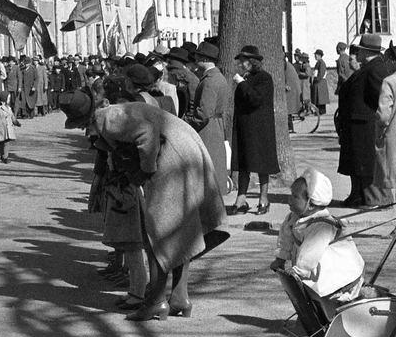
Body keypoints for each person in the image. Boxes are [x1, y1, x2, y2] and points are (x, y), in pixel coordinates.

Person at [91, 97, 228, 321]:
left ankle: (155, 302)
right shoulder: (117, 111)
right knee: (182, 230)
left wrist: (145, 171)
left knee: (157, 233)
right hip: (186, 150)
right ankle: (179, 297)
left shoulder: (106, 118)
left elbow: (146, 133)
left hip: (174, 158)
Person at [271, 169, 364, 305]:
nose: (289, 199)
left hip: (343, 276)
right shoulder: (294, 217)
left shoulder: (321, 226)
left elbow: (310, 253)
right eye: (291, 194)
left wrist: (297, 272)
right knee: (314, 296)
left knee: (331, 302)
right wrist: (280, 259)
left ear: (311, 204)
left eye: (295, 196)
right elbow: (285, 238)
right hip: (316, 270)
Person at [337, 33, 395, 206]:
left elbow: (382, 98)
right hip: (358, 125)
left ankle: (376, 199)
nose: (357, 53)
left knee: (367, 164)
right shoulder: (368, 68)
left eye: (360, 50)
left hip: (366, 125)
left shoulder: (375, 69)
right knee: (358, 164)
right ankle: (359, 196)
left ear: (367, 52)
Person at [229, 45, 279, 215]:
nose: (241, 64)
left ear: (252, 62)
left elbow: (256, 99)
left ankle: (263, 199)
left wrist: (241, 84)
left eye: (243, 61)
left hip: (260, 128)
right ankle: (241, 199)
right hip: (245, 127)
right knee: (244, 164)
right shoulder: (246, 77)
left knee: (262, 165)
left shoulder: (264, 78)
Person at [186, 41, 230, 192]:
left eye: (198, 57)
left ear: (205, 59)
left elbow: (203, 113)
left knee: (207, 164)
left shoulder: (210, 81)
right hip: (215, 124)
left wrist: (187, 123)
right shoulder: (217, 77)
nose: (196, 60)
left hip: (208, 127)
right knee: (213, 163)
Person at [376, 45, 396, 237]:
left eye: (388, 59)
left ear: (395, 62)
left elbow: (383, 115)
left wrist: (380, 132)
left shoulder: (389, 82)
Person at [0, 94, 16, 163]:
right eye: (8, 98)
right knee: (2, 142)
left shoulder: (8, 107)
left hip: (8, 128)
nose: (9, 100)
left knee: (7, 142)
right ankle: (3, 156)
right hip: (2, 128)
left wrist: (16, 122)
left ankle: (5, 157)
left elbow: (12, 116)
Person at [312, 49, 330, 115]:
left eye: (316, 55)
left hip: (320, 82)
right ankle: (319, 111)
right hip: (319, 82)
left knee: (320, 98)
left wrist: (317, 80)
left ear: (319, 55)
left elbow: (321, 73)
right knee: (318, 98)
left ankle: (321, 111)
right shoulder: (319, 62)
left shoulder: (321, 63)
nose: (315, 56)